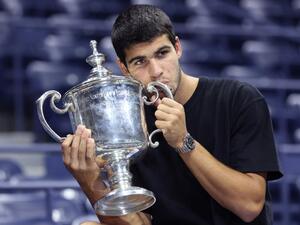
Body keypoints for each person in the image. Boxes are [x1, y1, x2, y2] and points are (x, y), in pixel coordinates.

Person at [61, 4, 282, 225]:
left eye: (162, 53)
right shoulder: (130, 123)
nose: (156, 71)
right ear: (124, 68)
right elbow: (137, 223)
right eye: (140, 61)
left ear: (177, 47)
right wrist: (89, 180)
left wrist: (183, 142)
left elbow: (249, 207)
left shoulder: (239, 98)